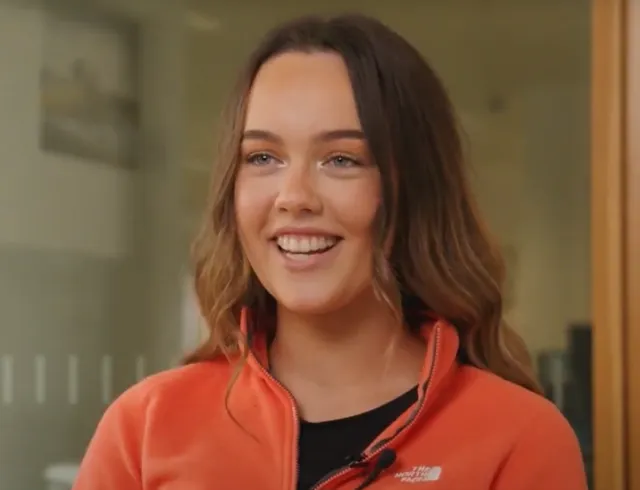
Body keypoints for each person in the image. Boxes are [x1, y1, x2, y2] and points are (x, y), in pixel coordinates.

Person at [73, 13, 588, 490]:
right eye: (263, 157)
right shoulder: (145, 427)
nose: (294, 196)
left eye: (341, 159)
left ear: (412, 189)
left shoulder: (520, 439)